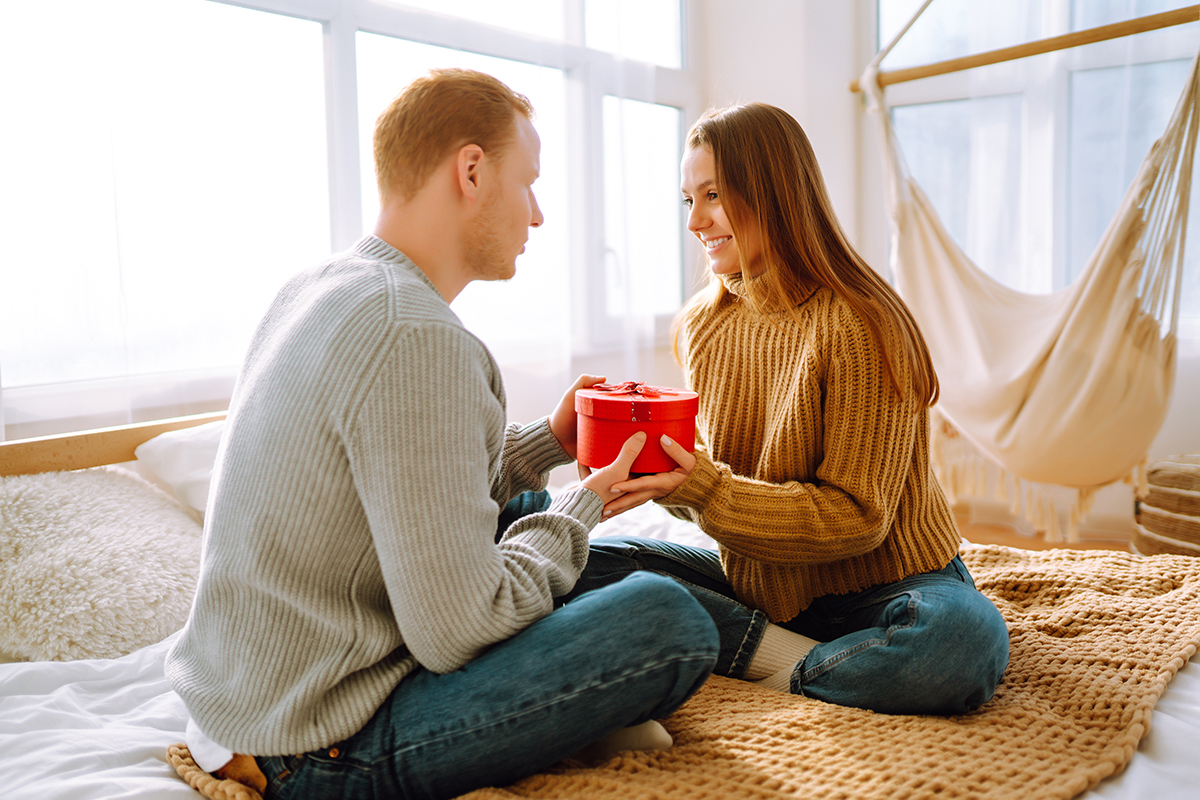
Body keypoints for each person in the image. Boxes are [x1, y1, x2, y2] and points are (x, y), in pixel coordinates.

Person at [165, 68, 718, 800]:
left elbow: (413, 488)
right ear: (471, 170)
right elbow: (459, 629)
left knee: (525, 516)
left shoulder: (322, 286)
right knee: (664, 619)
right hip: (315, 747)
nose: (538, 215)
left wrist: (548, 444)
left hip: (236, 710)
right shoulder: (416, 335)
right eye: (528, 184)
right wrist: (580, 507)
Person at [565, 102, 1009, 716]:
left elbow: (859, 519)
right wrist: (663, 478)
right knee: (569, 565)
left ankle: (774, 662)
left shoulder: (862, 323)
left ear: (773, 193)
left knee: (959, 647)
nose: (696, 221)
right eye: (687, 200)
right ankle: (804, 657)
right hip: (762, 584)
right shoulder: (703, 325)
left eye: (713, 195)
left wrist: (707, 489)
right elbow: (719, 496)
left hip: (886, 585)